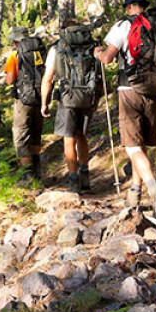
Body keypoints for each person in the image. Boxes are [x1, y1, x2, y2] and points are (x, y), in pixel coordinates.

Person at [94, 0, 156, 216]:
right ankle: (135, 194)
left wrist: (98, 53)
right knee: (142, 143)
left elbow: (108, 58)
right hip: (155, 89)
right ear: (144, 6)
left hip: (129, 88)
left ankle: (153, 187)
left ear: (128, 7)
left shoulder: (124, 25)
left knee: (131, 146)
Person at [41, 20, 102, 192]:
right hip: (87, 97)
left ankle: (73, 180)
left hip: (67, 98)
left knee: (69, 138)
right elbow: (99, 73)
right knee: (81, 136)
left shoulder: (58, 48)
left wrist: (44, 103)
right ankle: (85, 175)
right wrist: (97, 99)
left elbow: (48, 78)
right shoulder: (91, 46)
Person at [4, 27, 46, 179]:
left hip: (23, 99)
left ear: (16, 40)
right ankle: (37, 170)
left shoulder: (15, 55)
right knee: (35, 133)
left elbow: (9, 79)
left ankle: (26, 173)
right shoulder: (38, 51)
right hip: (40, 96)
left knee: (21, 134)